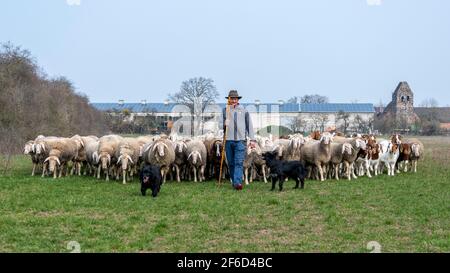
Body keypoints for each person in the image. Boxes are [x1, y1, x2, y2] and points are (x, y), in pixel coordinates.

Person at [222, 90, 256, 190]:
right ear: (228, 99)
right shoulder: (225, 110)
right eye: (231, 98)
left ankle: (237, 183)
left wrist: (252, 139)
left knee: (238, 162)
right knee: (231, 163)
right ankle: (234, 181)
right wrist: (224, 124)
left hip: (241, 141)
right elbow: (220, 126)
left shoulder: (244, 110)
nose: (233, 100)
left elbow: (249, 125)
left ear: (238, 100)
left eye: (235, 99)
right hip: (228, 141)